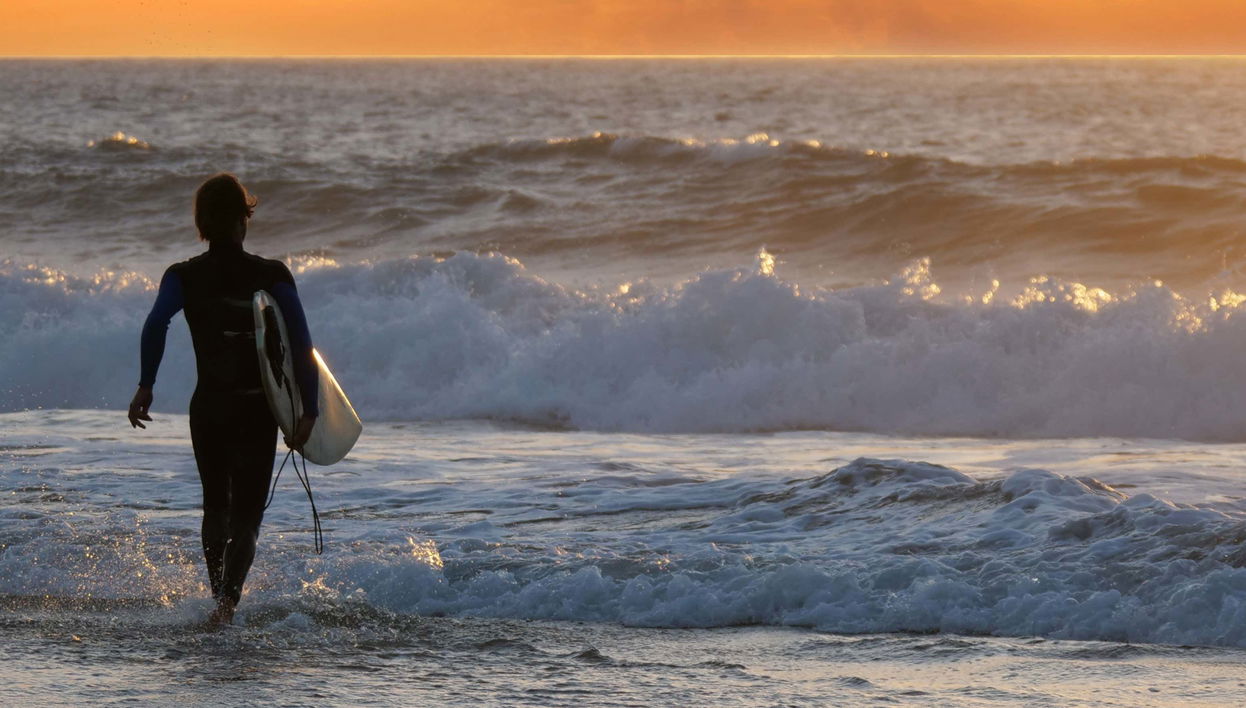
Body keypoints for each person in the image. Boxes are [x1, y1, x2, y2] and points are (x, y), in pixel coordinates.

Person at [128, 173, 318, 627]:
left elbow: (156, 324)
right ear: (241, 220)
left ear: (202, 224)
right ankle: (227, 606)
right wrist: (308, 409)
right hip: (256, 409)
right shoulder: (271, 274)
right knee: (248, 517)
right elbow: (301, 337)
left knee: (216, 506)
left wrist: (146, 384)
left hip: (208, 407)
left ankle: (218, 600)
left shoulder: (183, 275)